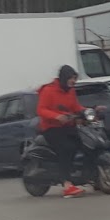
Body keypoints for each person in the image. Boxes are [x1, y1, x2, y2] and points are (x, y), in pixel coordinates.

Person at [37, 65, 87, 199]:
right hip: (51, 128)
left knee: (85, 143)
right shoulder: (48, 90)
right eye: (71, 78)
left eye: (75, 78)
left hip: (68, 126)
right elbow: (41, 110)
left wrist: (87, 111)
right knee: (67, 148)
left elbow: (75, 106)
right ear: (64, 77)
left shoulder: (70, 91)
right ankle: (67, 185)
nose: (73, 81)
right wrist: (56, 116)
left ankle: (91, 176)